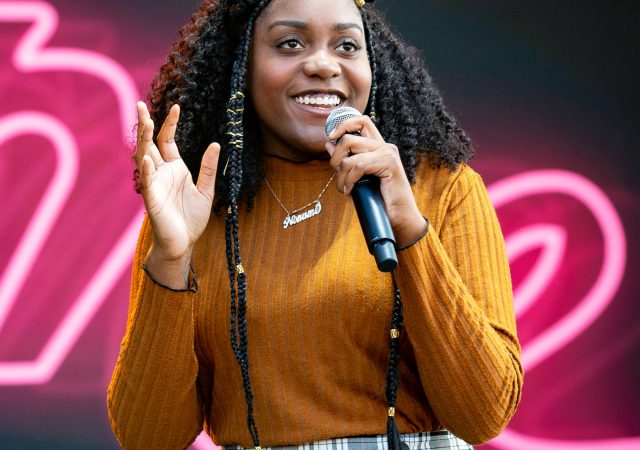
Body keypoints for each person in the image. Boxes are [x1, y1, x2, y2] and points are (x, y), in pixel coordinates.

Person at [107, 0, 523, 449]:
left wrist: (409, 230)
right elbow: (147, 438)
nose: (324, 65)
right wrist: (171, 260)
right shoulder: (198, 203)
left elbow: (484, 415)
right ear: (241, 64)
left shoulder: (442, 187)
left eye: (347, 46)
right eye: (290, 43)